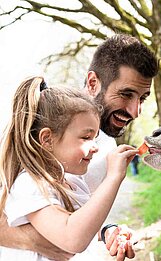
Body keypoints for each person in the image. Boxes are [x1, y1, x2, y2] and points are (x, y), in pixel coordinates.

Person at [0, 34, 159, 260]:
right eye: (126, 94)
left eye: (142, 99)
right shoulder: (41, 125)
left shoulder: (102, 150)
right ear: (93, 83)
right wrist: (33, 240)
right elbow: (67, 234)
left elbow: (80, 218)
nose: (135, 111)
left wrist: (108, 232)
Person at [0, 76, 137, 260]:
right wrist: (113, 177)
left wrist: (108, 233)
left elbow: (84, 225)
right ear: (47, 139)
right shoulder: (30, 185)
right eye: (86, 137)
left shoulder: (72, 181)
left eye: (95, 137)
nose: (95, 146)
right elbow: (72, 237)